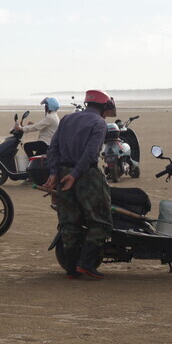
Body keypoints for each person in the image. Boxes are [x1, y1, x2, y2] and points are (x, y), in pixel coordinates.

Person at [45, 90, 115, 280]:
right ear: (104, 107)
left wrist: (54, 173)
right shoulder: (99, 123)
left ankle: (71, 269)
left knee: (69, 222)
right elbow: (91, 154)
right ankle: (86, 265)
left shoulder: (67, 119)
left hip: (62, 173)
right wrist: (75, 175)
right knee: (101, 221)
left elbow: (53, 148)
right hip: (86, 175)